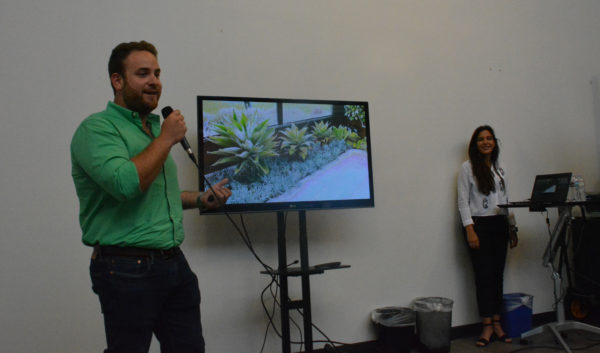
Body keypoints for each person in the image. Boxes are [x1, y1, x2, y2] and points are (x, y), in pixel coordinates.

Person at [71, 40, 232, 353]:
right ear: (117, 80)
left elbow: (160, 194)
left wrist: (200, 199)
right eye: (143, 73)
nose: (154, 81)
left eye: (157, 73)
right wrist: (166, 139)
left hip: (174, 263)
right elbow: (126, 185)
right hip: (126, 268)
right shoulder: (96, 129)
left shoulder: (151, 131)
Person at [457, 125, 518, 348]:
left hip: (499, 225)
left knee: (497, 276)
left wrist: (512, 228)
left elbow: (507, 199)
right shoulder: (467, 168)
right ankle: (486, 325)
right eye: (481, 139)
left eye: (489, 138)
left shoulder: (500, 168)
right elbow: (463, 202)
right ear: (475, 144)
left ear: (494, 142)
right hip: (478, 226)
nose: (486, 142)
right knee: (483, 277)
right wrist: (469, 229)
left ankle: (497, 322)